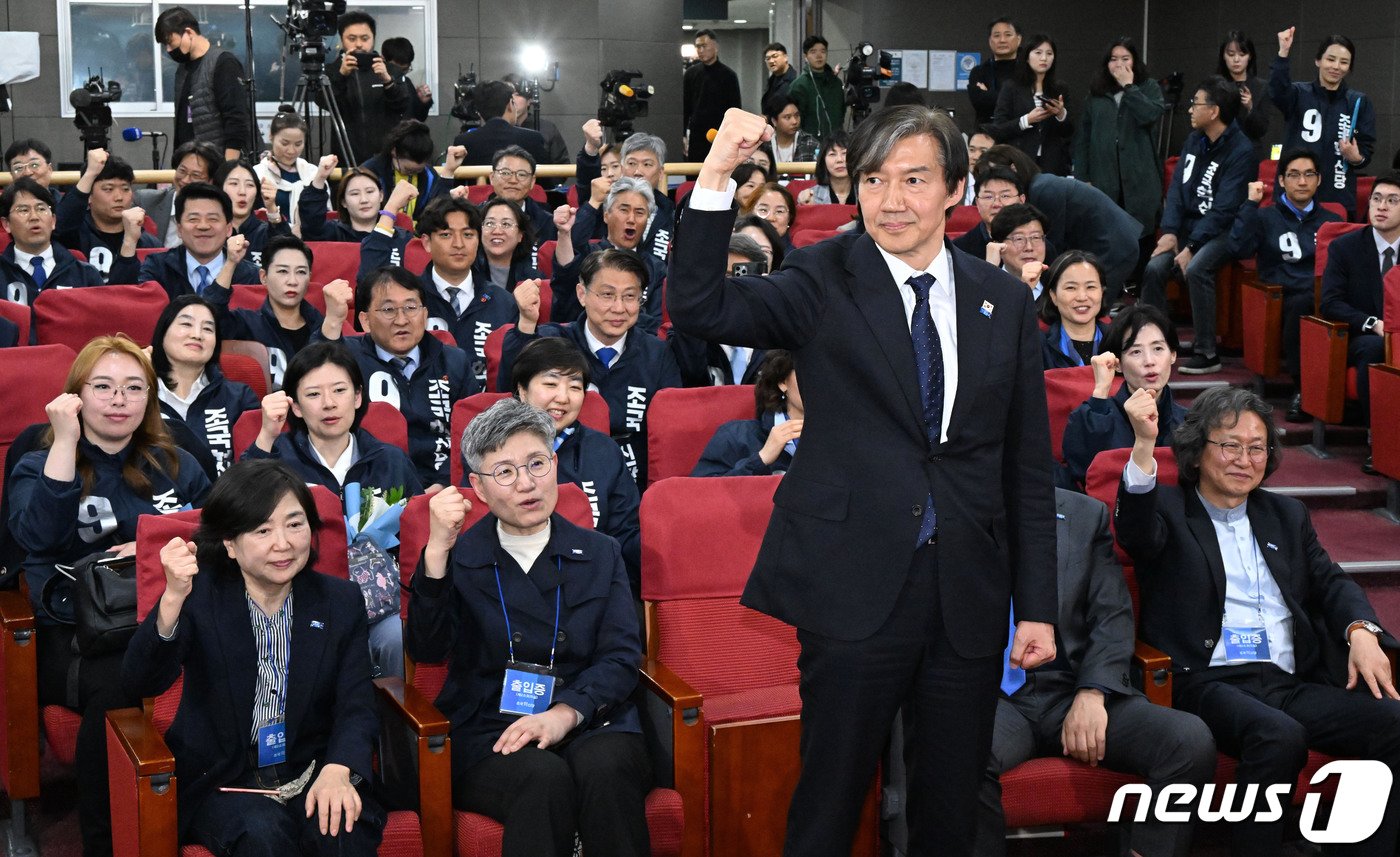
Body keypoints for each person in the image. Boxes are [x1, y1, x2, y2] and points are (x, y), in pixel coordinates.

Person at [669, 105, 1057, 855]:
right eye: (874, 179)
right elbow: (698, 305)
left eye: (914, 179)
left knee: (954, 802)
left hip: (966, 592)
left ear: (955, 188)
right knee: (832, 795)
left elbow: (1025, 464)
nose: (891, 199)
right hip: (852, 587)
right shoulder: (822, 276)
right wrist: (716, 172)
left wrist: (1034, 605)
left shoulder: (1001, 299)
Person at [1116, 385, 1400, 857]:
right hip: (1206, 679)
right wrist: (1144, 445)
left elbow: (1332, 583)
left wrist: (1361, 631)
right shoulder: (1168, 509)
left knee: (1394, 721)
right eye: (1230, 445)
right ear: (1196, 450)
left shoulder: (1285, 515)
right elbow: (1135, 529)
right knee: (1278, 734)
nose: (1244, 459)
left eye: (1257, 447)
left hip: (1286, 681)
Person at [406, 398, 650, 857]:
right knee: (542, 777)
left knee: (607, 769)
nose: (526, 484)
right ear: (477, 487)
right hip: (491, 725)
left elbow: (620, 658)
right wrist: (436, 553)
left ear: (554, 464)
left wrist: (566, 714)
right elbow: (428, 647)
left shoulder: (601, 552)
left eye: (536, 464)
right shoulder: (461, 556)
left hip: (590, 715)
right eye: (505, 472)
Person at [8, 334, 210, 856]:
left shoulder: (177, 462)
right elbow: (38, 538)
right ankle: (107, 841)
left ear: (150, 398)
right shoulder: (39, 461)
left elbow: (220, 533)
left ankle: (202, 820)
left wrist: (148, 548)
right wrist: (63, 440)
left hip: (168, 613)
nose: (119, 399)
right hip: (76, 634)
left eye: (133, 387)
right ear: (75, 395)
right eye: (103, 387)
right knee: (123, 681)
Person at [125, 459, 385, 855]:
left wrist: (340, 767)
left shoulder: (338, 601)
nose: (284, 543)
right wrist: (172, 598)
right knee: (263, 833)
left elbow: (356, 702)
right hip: (224, 779)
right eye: (263, 530)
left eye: (295, 525)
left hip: (310, 768)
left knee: (343, 828)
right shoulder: (200, 598)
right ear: (229, 543)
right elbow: (140, 682)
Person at [975, 486, 1217, 857]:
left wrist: (1092, 692)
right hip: (993, 698)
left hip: (1069, 689)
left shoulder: (1083, 514)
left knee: (1188, 741)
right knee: (957, 756)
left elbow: (1112, 615)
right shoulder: (954, 506)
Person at [244, 343, 423, 678]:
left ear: (357, 397)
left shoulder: (388, 459)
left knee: (400, 638)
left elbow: (417, 538)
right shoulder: (276, 460)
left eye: (339, 390)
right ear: (295, 407)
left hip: (380, 603)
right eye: (313, 394)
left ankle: (398, 729)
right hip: (298, 603)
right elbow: (237, 510)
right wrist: (266, 437)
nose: (328, 403)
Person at [506, 249, 681, 486]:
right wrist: (526, 323)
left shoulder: (657, 353)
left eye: (630, 297)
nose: (619, 308)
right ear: (582, 294)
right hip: (558, 474)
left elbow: (667, 437)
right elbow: (511, 394)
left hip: (632, 480)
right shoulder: (554, 342)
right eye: (607, 295)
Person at [316, 267, 478, 488]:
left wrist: (443, 485)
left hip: (446, 489)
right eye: (388, 309)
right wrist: (333, 321)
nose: (401, 320)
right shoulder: (347, 358)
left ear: (425, 314)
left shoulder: (454, 361)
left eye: (411, 308)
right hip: (369, 488)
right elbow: (312, 376)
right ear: (365, 321)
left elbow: (475, 436)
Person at [1139, 77, 1254, 375]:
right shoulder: (1195, 139)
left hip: (1225, 231)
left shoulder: (1242, 151)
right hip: (1187, 228)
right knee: (1153, 268)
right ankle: (1160, 341)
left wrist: (1192, 246)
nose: (1190, 109)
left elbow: (1225, 210)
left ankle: (1207, 350)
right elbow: (1177, 189)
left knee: (1199, 266)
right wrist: (1170, 232)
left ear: (1214, 111)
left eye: (1196, 103)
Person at [510, 337, 641, 589]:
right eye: (550, 384)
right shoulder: (494, 447)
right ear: (522, 390)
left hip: (592, 586)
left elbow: (625, 534)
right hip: (513, 585)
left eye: (574, 386)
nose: (563, 398)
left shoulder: (603, 451)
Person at [1228, 148, 1342, 421]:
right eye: (1293, 175)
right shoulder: (1265, 217)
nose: (1302, 182)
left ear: (1319, 179)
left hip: (1325, 295)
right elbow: (1238, 249)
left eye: (1308, 175)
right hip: (1285, 297)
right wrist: (1249, 205)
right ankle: (1303, 389)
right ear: (1281, 181)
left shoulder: (1333, 221)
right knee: (1303, 304)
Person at [360, 191, 518, 385]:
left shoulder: (503, 301)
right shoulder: (408, 299)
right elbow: (368, 282)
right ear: (426, 243)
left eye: (468, 234)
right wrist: (391, 209)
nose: (459, 244)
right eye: (446, 234)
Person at [976, 144, 1142, 307]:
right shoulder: (1040, 186)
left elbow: (1052, 247)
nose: (991, 182)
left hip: (1114, 247)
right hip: (1107, 244)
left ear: (1013, 169)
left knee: (1092, 307)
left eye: (997, 175)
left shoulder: (1043, 189)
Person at [1319, 170, 1400, 475]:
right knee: (1373, 349)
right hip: (1360, 336)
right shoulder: (1346, 248)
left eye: (1393, 200)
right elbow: (1330, 303)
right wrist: (1372, 323)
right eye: (1377, 199)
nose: (1382, 206)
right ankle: (1379, 438)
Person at [1062, 304, 1186, 488]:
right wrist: (1100, 393)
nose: (1149, 361)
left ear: (1173, 355)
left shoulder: (1190, 422)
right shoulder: (1093, 416)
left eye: (1158, 349)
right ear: (1117, 363)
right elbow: (1082, 471)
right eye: (1136, 352)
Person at [1074, 37, 1166, 262]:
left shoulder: (1148, 87)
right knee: (1107, 235)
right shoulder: (1096, 94)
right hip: (1104, 178)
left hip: (1140, 178)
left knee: (1142, 235)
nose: (1119, 64)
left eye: (1125, 59)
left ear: (1135, 62)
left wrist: (1129, 87)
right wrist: (1082, 177)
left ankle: (1138, 291)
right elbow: (1083, 138)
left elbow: (1150, 115)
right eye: (1114, 59)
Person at [151, 295, 261, 476]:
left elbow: (256, 468)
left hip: (225, 499)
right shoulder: (138, 394)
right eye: (186, 324)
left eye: (208, 329)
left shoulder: (239, 397)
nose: (197, 335)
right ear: (163, 332)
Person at [1271, 27, 1375, 217]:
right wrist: (1283, 53)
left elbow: (1366, 151)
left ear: (1349, 67)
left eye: (1344, 62)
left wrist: (1356, 157)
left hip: (1337, 195)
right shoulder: (1298, 93)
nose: (1336, 66)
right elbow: (1277, 91)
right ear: (1318, 60)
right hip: (1295, 194)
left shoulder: (1358, 102)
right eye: (1330, 59)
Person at [205, 235, 328, 389]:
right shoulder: (247, 324)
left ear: (309, 277)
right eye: (283, 271)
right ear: (263, 277)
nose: (292, 281)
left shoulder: (322, 325)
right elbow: (208, 314)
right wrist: (231, 263)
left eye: (301, 272)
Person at [551, 178, 666, 325]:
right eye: (624, 210)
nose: (631, 219)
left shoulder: (656, 268)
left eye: (639, 212)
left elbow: (656, 323)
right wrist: (592, 203)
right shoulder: (588, 255)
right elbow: (568, 259)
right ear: (606, 215)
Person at [669, 233, 773, 388]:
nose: (730, 286)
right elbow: (688, 378)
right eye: (722, 277)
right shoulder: (687, 334)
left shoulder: (778, 338)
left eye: (740, 275)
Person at [154, 6, 254, 160]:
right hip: (192, 163)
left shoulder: (224, 62)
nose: (168, 49)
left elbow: (236, 119)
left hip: (218, 163)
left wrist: (228, 169)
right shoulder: (182, 70)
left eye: (170, 42)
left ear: (188, 33)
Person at [137, 183, 262, 298]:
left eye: (213, 219)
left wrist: (230, 265)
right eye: (193, 219)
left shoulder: (251, 277)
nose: (203, 226)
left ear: (229, 229)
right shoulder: (157, 267)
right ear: (179, 228)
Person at [1, 177, 106, 311]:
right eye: (23, 210)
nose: (34, 217)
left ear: (53, 221)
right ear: (6, 224)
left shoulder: (85, 274)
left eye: (41, 209)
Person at [692, 350, 801, 477]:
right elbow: (700, 493)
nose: (820, 383)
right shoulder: (736, 437)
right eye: (809, 373)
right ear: (783, 382)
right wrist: (761, 459)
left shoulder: (829, 437)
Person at [53, 149, 154, 283]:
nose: (119, 197)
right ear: (89, 195)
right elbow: (57, 226)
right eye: (108, 189)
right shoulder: (73, 233)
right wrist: (90, 174)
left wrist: (130, 240)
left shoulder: (147, 242)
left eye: (125, 189)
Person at [325, 11, 412, 164]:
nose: (359, 44)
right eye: (351, 38)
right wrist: (341, 76)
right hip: (346, 157)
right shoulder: (332, 71)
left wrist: (387, 81)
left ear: (373, 39)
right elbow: (324, 102)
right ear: (342, 40)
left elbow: (403, 105)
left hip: (386, 157)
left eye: (365, 38)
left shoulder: (390, 71)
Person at [575, 133, 674, 265]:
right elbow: (575, 245)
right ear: (622, 168)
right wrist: (591, 149)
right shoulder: (604, 202)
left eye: (647, 164)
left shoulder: (671, 214)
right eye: (631, 163)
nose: (638, 171)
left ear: (661, 173)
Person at [989, 33, 1072, 177]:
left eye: (1049, 53)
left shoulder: (1059, 89)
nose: (1044, 58)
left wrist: (1061, 114)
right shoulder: (1011, 87)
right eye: (1038, 53)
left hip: (1052, 164)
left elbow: (1069, 131)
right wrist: (1027, 119)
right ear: (1027, 57)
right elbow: (999, 128)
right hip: (1020, 162)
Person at [297, 161, 414, 263]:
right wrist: (320, 178)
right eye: (354, 194)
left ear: (381, 196)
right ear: (343, 202)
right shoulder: (331, 233)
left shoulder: (401, 237)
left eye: (369, 191)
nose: (364, 200)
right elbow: (311, 219)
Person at [360, 120, 461, 224]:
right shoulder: (369, 173)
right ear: (394, 151)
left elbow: (436, 212)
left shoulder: (429, 174)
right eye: (408, 170)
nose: (412, 174)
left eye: (418, 171)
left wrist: (449, 173)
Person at [135, 140, 222, 246]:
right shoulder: (145, 203)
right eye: (182, 171)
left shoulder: (219, 213)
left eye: (195, 175)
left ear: (211, 181)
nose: (185, 180)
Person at [1039, 250, 1111, 370]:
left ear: (1102, 292)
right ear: (1053, 295)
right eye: (1071, 288)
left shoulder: (1121, 342)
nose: (1082, 297)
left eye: (1090, 287)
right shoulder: (1039, 346)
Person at [453, 80, 549, 167]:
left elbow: (458, 183)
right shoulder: (533, 139)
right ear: (510, 105)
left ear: (480, 112)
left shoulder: (463, 142)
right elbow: (547, 183)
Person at [214, 159, 292, 266]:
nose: (242, 192)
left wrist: (271, 207)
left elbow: (289, 254)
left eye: (250, 185)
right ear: (219, 189)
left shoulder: (266, 232)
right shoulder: (211, 233)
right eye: (234, 183)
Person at [254, 107, 319, 234]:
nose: (291, 151)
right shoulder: (258, 174)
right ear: (271, 137)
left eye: (298, 144)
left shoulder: (312, 173)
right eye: (285, 143)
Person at [479, 144, 557, 246]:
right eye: (505, 173)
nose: (513, 180)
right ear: (492, 178)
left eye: (522, 174)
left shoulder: (547, 222)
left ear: (532, 182)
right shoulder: (475, 216)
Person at [683, 30, 742, 162]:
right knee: (694, 174)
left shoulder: (729, 75)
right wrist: (682, 135)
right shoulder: (690, 74)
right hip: (696, 135)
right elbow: (685, 107)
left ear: (715, 47)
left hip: (722, 135)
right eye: (698, 46)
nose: (701, 50)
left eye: (704, 46)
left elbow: (735, 110)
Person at [1218, 31, 1272, 163]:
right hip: (1221, 154)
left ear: (1250, 57)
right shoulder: (1215, 85)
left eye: (1242, 54)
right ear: (1223, 57)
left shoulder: (1261, 86)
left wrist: (1250, 108)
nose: (1236, 59)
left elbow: (1261, 130)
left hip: (1251, 155)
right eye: (1231, 54)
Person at [476, 197, 545, 294]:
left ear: (520, 235)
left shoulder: (533, 279)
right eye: (490, 223)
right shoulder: (466, 273)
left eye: (506, 224)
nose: (497, 231)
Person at [955, 164, 1025, 259]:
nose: (996, 204)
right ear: (977, 203)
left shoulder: (1037, 245)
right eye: (988, 197)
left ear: (1021, 200)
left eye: (1005, 196)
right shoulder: (959, 250)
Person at [985, 202, 1048, 303]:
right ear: (998, 245)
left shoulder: (1056, 284)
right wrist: (990, 270)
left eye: (1036, 237)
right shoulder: (985, 286)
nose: (1029, 247)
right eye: (1018, 239)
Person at [788, 35, 845, 141]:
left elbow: (841, 114)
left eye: (823, 51)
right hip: (807, 145)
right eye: (813, 52)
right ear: (806, 56)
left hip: (834, 143)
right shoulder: (799, 86)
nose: (819, 56)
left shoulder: (836, 83)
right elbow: (793, 121)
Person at [968, 17, 1022, 126]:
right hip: (986, 135)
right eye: (997, 35)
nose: (1002, 40)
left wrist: (989, 95)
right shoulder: (978, 72)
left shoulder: (1028, 70)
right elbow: (980, 103)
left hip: (1021, 136)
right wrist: (1014, 97)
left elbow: (1027, 105)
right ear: (990, 41)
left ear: (1019, 39)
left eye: (1008, 35)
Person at [382, 37, 432, 122]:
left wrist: (423, 103)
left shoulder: (407, 82)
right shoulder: (374, 83)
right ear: (383, 60)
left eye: (405, 70)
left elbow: (419, 117)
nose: (401, 74)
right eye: (397, 69)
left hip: (407, 134)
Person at [797, 131, 853, 205]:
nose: (839, 159)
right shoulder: (810, 197)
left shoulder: (867, 192)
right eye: (832, 154)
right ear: (823, 160)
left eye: (844, 153)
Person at [765, 93, 819, 165]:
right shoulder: (764, 144)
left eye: (797, 115)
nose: (794, 121)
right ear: (774, 121)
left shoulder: (810, 144)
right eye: (787, 117)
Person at [5, 139, 61, 205]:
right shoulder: (4, 208)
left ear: (49, 169)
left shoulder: (67, 206)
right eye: (19, 168)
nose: (27, 172)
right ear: (12, 174)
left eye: (34, 165)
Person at [964, 128, 996, 204]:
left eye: (983, 151)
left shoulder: (1004, 187)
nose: (975, 157)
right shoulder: (954, 184)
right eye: (972, 150)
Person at [763, 42, 797, 107]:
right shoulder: (771, 81)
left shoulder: (794, 80)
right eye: (768, 58)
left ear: (785, 57)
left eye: (775, 56)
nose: (771, 61)